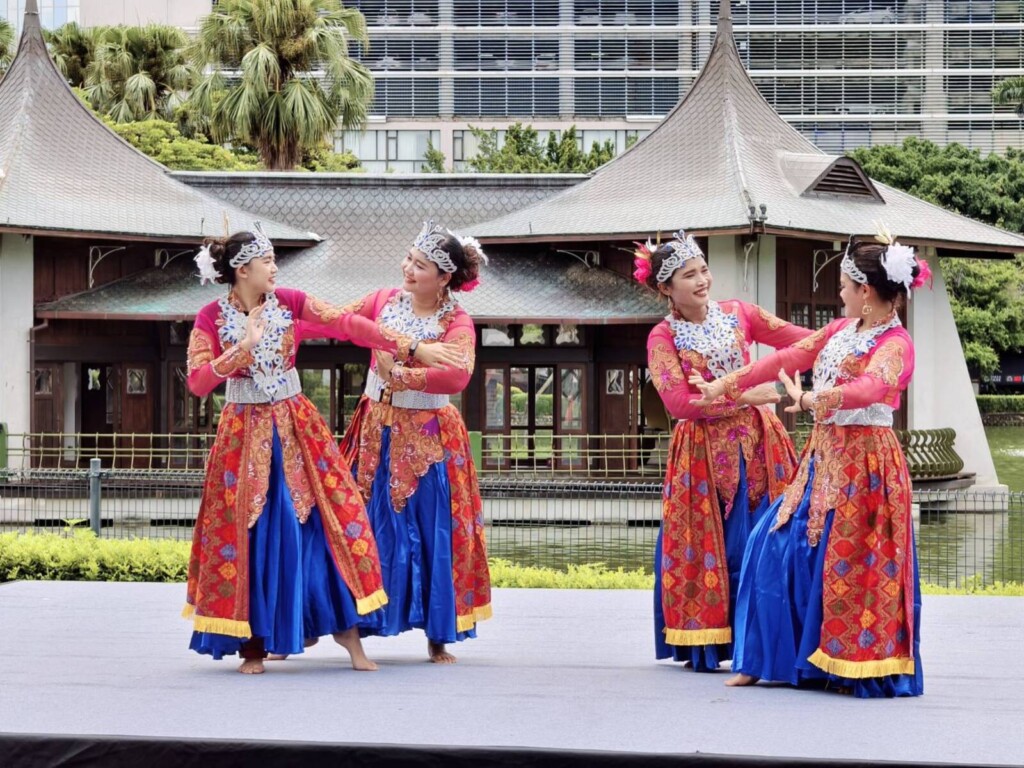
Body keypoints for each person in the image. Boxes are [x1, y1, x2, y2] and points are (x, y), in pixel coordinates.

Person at [182, 223, 464, 674]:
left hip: (296, 426)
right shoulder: (208, 318)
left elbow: (345, 323)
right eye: (267, 260)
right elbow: (198, 383)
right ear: (242, 269)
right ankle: (254, 645)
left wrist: (411, 346)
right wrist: (243, 347)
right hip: (242, 433)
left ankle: (349, 637)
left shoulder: (290, 301)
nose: (275, 267)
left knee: (331, 519)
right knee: (248, 531)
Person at [692, 230, 930, 698]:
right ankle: (765, 659)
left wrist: (811, 397)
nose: (837, 293)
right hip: (823, 457)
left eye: (843, 285)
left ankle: (848, 663)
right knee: (773, 544)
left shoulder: (897, 344)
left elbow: (869, 390)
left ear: (865, 291)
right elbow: (787, 356)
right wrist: (725, 385)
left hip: (867, 465)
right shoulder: (842, 331)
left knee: (851, 565)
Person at [636, 231, 812, 671]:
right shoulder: (662, 338)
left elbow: (803, 341)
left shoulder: (741, 314)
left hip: (761, 446)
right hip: (700, 453)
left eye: (704, 270)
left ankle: (766, 639)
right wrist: (745, 395)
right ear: (665, 288)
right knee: (711, 544)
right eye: (689, 275)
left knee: (768, 536)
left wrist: (853, 337)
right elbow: (678, 403)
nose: (702, 281)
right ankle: (711, 640)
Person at [339, 220, 492, 664]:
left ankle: (438, 633)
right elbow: (345, 322)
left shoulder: (457, 322)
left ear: (444, 278)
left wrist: (397, 371)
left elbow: (457, 374)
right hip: (374, 429)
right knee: (362, 519)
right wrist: (410, 348)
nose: (407, 268)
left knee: (432, 526)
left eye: (420, 265)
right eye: (408, 258)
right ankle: (354, 621)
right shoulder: (384, 300)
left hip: (429, 436)